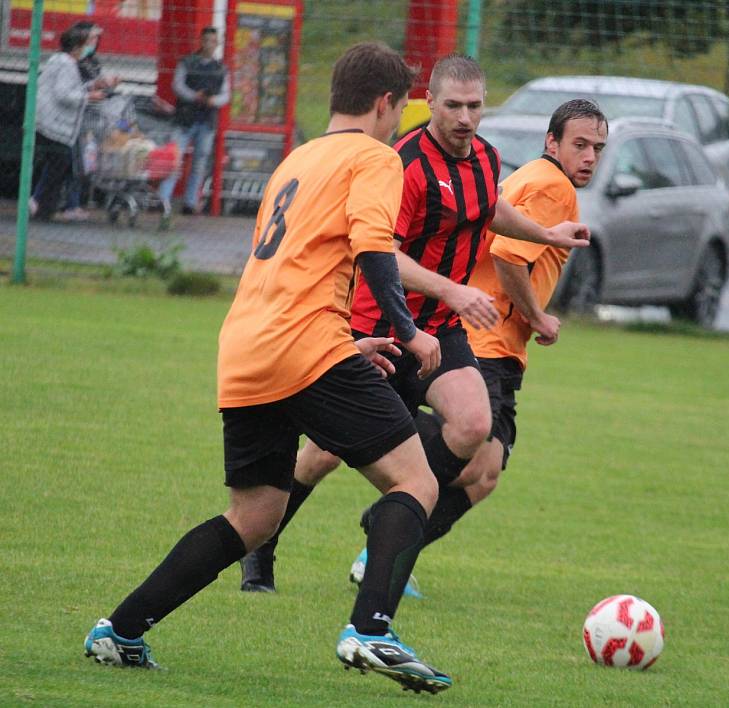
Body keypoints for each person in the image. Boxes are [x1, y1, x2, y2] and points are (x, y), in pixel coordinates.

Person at [84, 41, 455, 695]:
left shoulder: (300, 158)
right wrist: (407, 330)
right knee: (417, 481)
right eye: (403, 109)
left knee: (254, 516)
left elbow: (298, 266)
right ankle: (370, 630)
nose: (401, 122)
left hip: (249, 347)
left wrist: (348, 340)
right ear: (384, 103)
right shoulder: (374, 156)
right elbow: (374, 248)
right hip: (302, 347)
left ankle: (121, 629)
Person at [239, 55, 592, 595]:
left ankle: (395, 513)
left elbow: (489, 208)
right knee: (323, 454)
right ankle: (261, 546)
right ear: (430, 102)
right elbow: (383, 254)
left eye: (475, 106)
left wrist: (548, 234)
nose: (465, 118)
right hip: (382, 322)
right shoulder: (402, 162)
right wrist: (451, 288)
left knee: (475, 424)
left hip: (442, 330)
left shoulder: (485, 157)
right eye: (453, 106)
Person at [413, 98, 608, 556]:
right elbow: (508, 255)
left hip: (492, 341)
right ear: (551, 141)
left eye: (597, 148)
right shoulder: (553, 188)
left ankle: (388, 540)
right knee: (474, 460)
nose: (589, 157)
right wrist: (538, 317)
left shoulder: (529, 176)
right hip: (486, 340)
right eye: (579, 145)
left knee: (485, 471)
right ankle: (386, 509)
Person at [28, 26, 108, 222]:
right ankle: (39, 203)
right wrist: (89, 95)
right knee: (59, 161)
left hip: (54, 123)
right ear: (76, 46)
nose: (91, 47)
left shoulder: (66, 63)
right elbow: (63, 94)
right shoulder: (65, 63)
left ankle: (42, 205)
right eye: (88, 43)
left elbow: (70, 88)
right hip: (53, 123)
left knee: (58, 162)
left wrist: (91, 86)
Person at [158, 26, 230, 225]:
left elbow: (226, 94)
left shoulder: (221, 68)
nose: (209, 45)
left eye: (213, 41)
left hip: (206, 120)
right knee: (174, 159)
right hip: (185, 118)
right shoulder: (187, 62)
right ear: (201, 41)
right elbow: (178, 85)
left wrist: (212, 101)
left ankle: (190, 202)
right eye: (206, 40)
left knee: (199, 163)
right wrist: (194, 96)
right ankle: (163, 199)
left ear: (217, 43)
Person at [57, 21, 120, 222]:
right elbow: (72, 90)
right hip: (75, 118)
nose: (95, 42)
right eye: (92, 38)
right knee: (74, 163)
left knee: (84, 162)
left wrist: (108, 86)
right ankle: (69, 203)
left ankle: (74, 202)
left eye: (96, 39)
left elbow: (98, 88)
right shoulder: (70, 62)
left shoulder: (91, 61)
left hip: (93, 118)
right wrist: (93, 90)